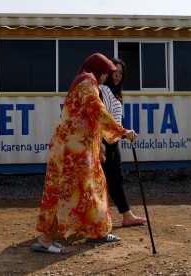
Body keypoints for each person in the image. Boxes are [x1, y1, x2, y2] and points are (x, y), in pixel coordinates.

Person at [33, 53, 138, 254]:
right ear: (97, 69)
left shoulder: (84, 82)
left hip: (76, 150)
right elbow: (98, 113)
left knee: (91, 189)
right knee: (68, 192)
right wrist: (123, 132)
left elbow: (88, 120)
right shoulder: (87, 84)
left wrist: (99, 148)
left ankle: (97, 232)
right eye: (106, 73)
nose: (106, 78)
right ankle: (46, 240)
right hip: (72, 153)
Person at [100, 58, 147, 227]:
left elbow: (115, 122)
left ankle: (127, 215)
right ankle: (98, 220)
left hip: (114, 142)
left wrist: (125, 133)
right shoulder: (103, 90)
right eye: (115, 72)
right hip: (102, 144)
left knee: (116, 180)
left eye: (121, 73)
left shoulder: (116, 94)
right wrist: (100, 143)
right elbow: (100, 119)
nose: (118, 76)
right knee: (100, 183)